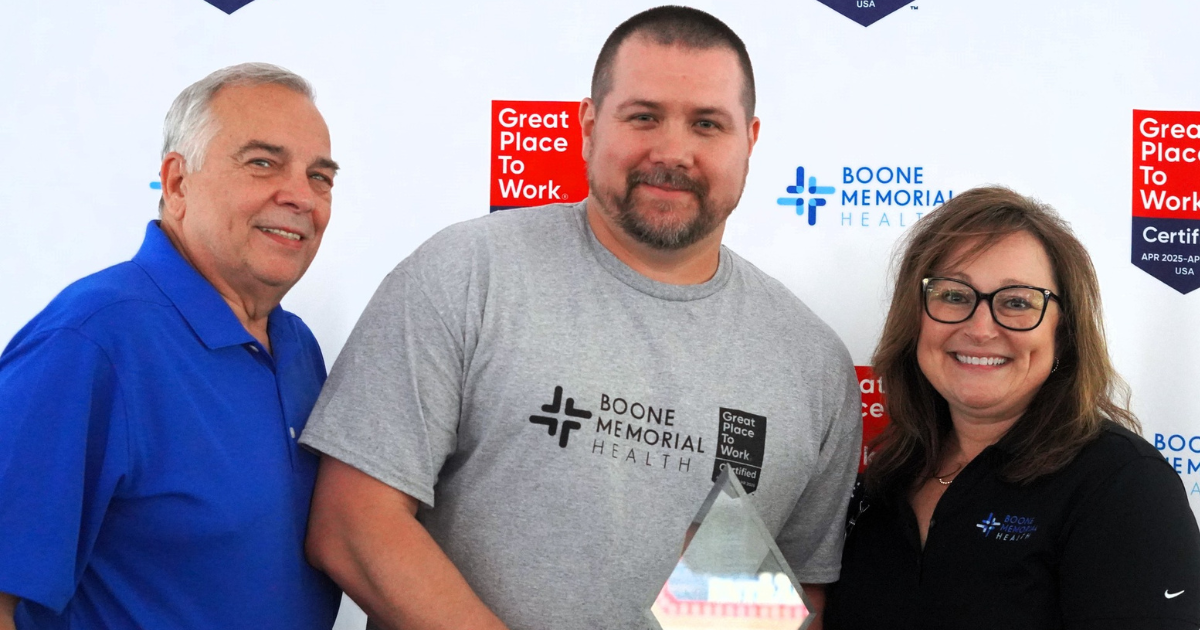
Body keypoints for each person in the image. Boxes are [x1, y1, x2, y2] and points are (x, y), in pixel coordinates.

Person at [300, 6, 860, 630]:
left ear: (749, 141)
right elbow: (351, 522)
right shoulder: (468, 272)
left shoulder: (813, 365)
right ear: (589, 127)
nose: (672, 151)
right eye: (643, 117)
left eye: (707, 124)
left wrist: (723, 588)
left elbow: (802, 593)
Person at [0, 63, 342, 629]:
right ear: (178, 183)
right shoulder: (90, 342)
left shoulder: (297, 344)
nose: (301, 197)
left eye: (320, 177)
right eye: (263, 163)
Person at [824, 187, 1200, 630]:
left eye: (1018, 302)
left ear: (1063, 334)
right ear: (915, 318)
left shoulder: (1123, 483)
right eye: (953, 295)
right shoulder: (886, 481)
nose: (980, 329)